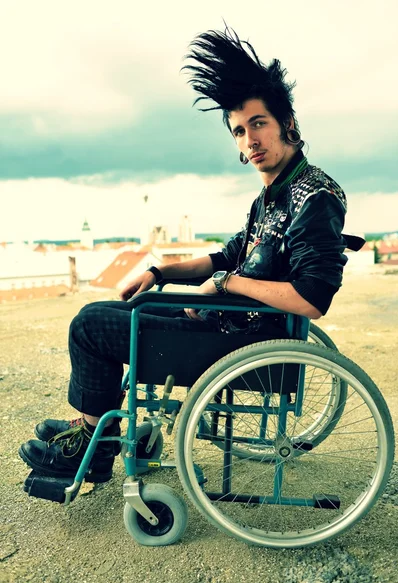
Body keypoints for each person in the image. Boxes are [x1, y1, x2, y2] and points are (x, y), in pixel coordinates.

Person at [18, 27, 352, 482]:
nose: (249, 139)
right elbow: (227, 255)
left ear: (286, 123)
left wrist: (227, 284)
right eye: (239, 130)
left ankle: (93, 448)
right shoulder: (273, 195)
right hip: (223, 323)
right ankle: (98, 430)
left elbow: (312, 298)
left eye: (258, 124)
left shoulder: (314, 196)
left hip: (240, 341)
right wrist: (159, 272)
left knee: (90, 326)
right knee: (117, 307)